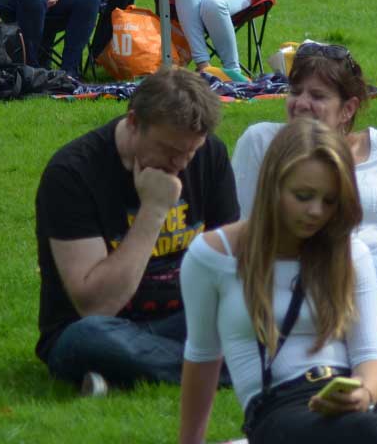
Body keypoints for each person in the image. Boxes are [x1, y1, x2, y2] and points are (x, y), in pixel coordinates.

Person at [180, 118, 377, 444]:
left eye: (329, 201)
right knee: (375, 434)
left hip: (350, 397)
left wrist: (363, 394)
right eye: (303, 195)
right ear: (273, 185)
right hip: (279, 410)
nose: (315, 211)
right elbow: (202, 356)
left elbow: (371, 357)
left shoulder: (349, 253)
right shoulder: (214, 256)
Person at [229, 44, 377, 379]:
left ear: (348, 108)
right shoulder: (262, 143)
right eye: (295, 92)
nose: (301, 103)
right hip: (331, 276)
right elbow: (244, 229)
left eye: (318, 96)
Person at [35, 66, 237, 393]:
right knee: (87, 340)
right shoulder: (72, 174)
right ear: (133, 122)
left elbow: (230, 261)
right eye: (170, 151)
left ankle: (126, 374)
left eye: (191, 152)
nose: (181, 164)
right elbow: (95, 306)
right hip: (102, 328)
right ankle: (225, 367)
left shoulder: (210, 155)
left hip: (184, 321)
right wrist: (153, 211)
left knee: (271, 308)